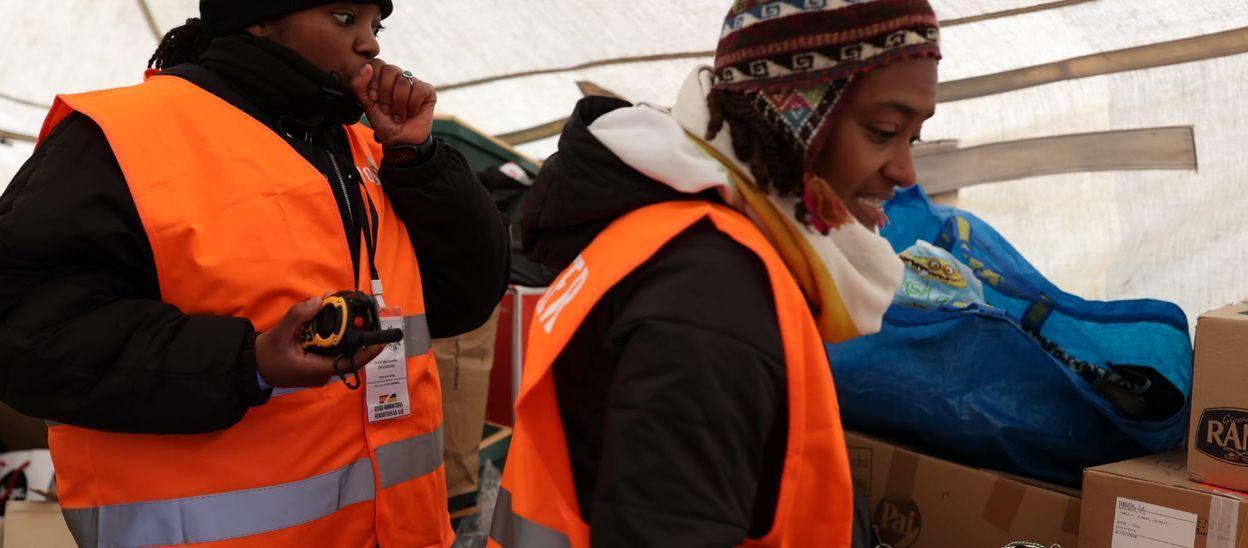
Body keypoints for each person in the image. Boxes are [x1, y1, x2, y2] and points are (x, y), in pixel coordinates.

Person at [0, 1, 508, 546]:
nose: (372, 45)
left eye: (375, 26)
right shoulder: (120, 138)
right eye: (344, 19)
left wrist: (420, 156)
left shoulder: (369, 148)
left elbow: (465, 298)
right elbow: (28, 335)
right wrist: (248, 363)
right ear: (259, 17)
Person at [492, 1, 941, 546]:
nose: (905, 172)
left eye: (912, 138)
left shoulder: (680, 235)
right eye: (883, 130)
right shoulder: (713, 298)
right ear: (790, 120)